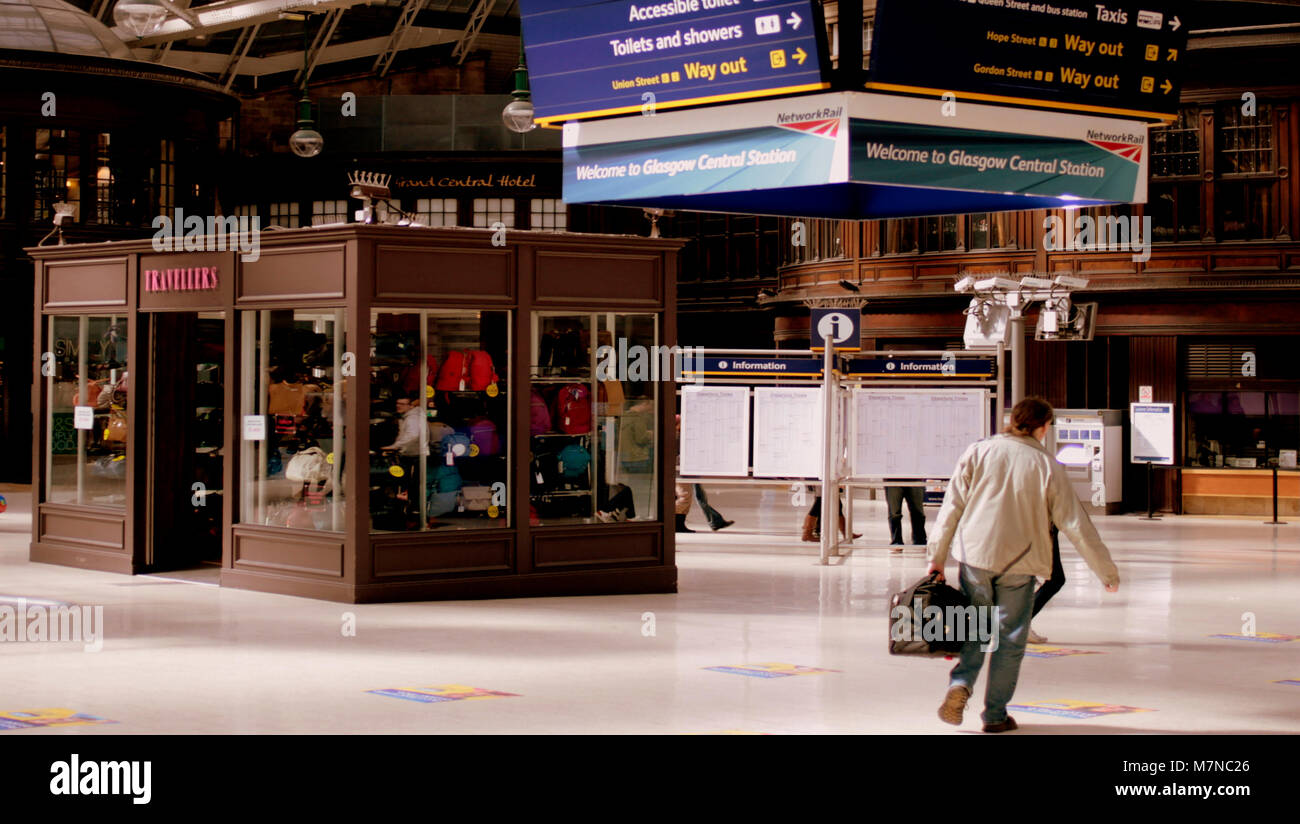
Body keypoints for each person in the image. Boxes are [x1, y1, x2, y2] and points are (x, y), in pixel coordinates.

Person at [927, 398, 1120, 733]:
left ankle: (959, 685)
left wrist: (937, 558)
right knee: (1010, 639)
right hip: (1020, 562)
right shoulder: (1047, 465)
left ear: (1012, 421)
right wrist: (1106, 572)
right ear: (1043, 427)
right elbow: (1076, 523)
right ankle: (995, 716)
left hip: (975, 557)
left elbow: (951, 507)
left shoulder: (978, 451)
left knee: (975, 627)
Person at [1027, 525, 1064, 644]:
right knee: (1056, 579)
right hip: (1042, 527)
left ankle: (1018, 623)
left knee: (1055, 579)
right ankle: (1019, 623)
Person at [885, 480, 927, 550]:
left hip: (915, 477)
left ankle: (920, 540)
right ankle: (896, 541)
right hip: (892, 478)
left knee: (918, 512)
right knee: (894, 513)